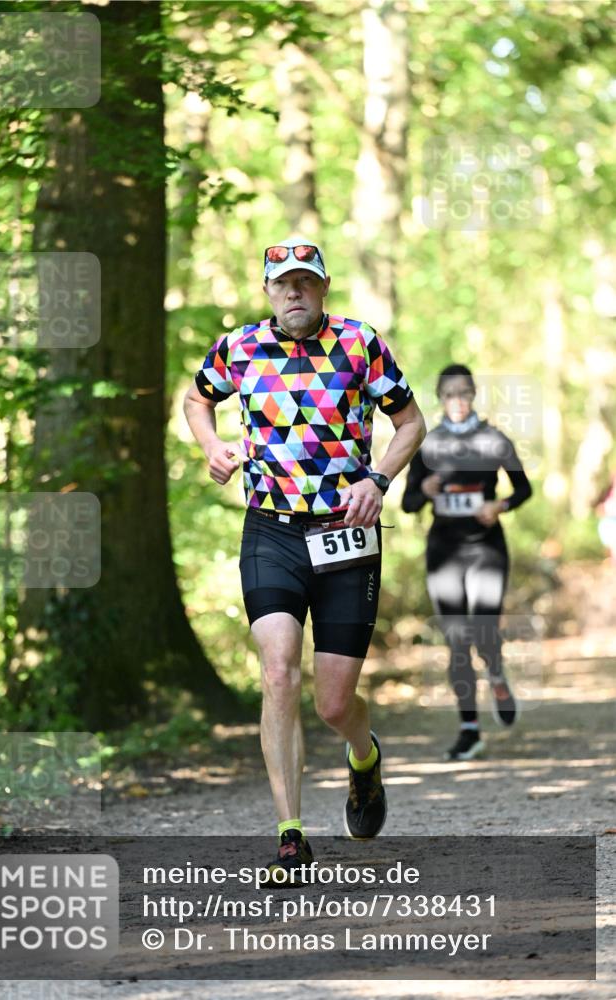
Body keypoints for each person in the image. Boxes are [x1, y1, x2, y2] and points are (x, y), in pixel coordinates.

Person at [184, 237, 425, 883]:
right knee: (277, 673)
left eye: (304, 282)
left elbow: (410, 423)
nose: (293, 292)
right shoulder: (237, 347)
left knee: (332, 703)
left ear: (322, 287)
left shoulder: (357, 343)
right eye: (281, 283)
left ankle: (362, 758)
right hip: (271, 532)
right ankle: (290, 837)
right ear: (267, 291)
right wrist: (209, 445)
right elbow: (196, 397)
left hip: (345, 533)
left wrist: (375, 479)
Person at [401, 364, 532, 761]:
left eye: (464, 394)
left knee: (484, 630)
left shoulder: (493, 439)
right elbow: (407, 504)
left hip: (486, 548)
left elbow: (524, 487)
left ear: (473, 395)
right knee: (457, 640)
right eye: (449, 395)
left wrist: (501, 505)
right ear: (440, 399)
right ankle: (469, 730)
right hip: (444, 551)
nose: (457, 401)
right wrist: (423, 489)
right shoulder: (429, 445)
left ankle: (495, 671)